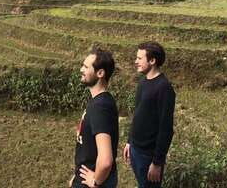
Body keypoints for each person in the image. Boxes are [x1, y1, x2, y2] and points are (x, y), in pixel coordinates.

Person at [124, 42, 175, 188]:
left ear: (152, 61)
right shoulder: (143, 82)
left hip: (148, 155)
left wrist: (157, 163)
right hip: (135, 149)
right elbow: (138, 114)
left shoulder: (164, 88)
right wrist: (129, 141)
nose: (136, 61)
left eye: (140, 58)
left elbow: (166, 128)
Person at [70, 48, 119, 188]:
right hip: (86, 176)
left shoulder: (100, 107)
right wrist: (76, 177)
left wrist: (96, 181)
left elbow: (105, 160)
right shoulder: (100, 101)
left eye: (86, 67)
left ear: (100, 73)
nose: (81, 69)